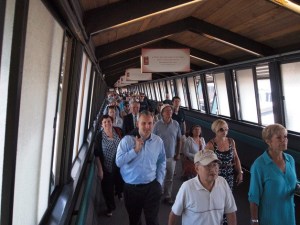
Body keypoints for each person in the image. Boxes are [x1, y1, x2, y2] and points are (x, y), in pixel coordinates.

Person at [116, 110, 166, 225]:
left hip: (152, 187)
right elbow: (118, 162)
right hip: (132, 188)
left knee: (152, 220)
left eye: (150, 123)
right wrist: (135, 151)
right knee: (134, 220)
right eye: (144, 123)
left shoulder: (158, 141)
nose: (147, 126)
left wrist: (159, 181)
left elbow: (161, 161)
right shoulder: (127, 141)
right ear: (137, 124)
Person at [168, 150, 237, 225]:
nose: (213, 169)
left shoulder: (223, 183)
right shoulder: (187, 187)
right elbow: (174, 214)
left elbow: (230, 212)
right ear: (197, 168)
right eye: (208, 165)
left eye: (215, 165)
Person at [248, 124, 299, 225]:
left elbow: (293, 183)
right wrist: (254, 220)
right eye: (279, 137)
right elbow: (253, 196)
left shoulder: (290, 159)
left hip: (288, 215)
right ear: (268, 141)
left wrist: (297, 186)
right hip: (270, 218)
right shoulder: (259, 165)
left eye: (285, 136)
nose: (284, 140)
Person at [94, 115, 124, 217]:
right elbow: (97, 154)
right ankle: (110, 207)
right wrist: (100, 169)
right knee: (107, 188)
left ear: (112, 122)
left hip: (119, 164)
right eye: (105, 122)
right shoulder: (99, 136)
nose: (107, 123)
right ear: (101, 124)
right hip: (106, 166)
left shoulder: (118, 131)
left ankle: (119, 192)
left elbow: (124, 143)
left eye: (109, 121)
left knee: (119, 181)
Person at [153, 104, 181, 205]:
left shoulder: (176, 124)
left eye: (171, 111)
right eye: (167, 111)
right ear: (162, 113)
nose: (169, 112)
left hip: (171, 156)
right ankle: (158, 193)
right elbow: (153, 140)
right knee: (159, 177)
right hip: (159, 157)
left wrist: (178, 153)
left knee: (170, 178)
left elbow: (179, 139)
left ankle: (168, 195)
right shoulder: (157, 125)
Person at [205, 119, 243, 190]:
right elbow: (206, 163)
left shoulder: (231, 141)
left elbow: (236, 157)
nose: (224, 132)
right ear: (215, 130)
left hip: (229, 174)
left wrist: (240, 172)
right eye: (221, 130)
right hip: (216, 175)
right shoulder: (211, 145)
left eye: (226, 129)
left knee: (228, 194)